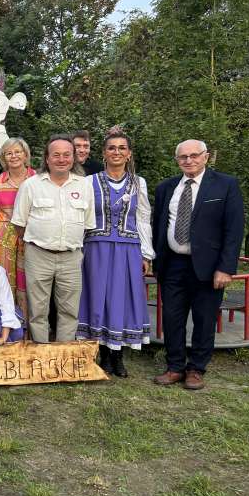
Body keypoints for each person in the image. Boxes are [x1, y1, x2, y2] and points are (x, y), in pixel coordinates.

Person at [152, 139, 243, 390]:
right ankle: (174, 367)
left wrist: (225, 268)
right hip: (172, 265)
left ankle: (196, 369)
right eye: (183, 157)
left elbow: (233, 230)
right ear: (177, 160)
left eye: (194, 155)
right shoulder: (166, 188)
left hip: (209, 266)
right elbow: (158, 225)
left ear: (206, 157)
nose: (189, 160)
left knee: (204, 319)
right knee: (172, 318)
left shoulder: (225, 185)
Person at [76, 129, 155, 377]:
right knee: (97, 296)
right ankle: (100, 351)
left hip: (128, 249)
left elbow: (142, 219)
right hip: (96, 247)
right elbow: (82, 217)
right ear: (104, 153)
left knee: (121, 298)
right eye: (112, 148)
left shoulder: (138, 182)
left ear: (129, 154)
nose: (117, 152)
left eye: (122, 148)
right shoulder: (90, 181)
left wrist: (146, 254)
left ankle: (117, 355)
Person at [11, 134, 95, 342]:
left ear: (74, 158)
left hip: (71, 257)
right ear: (47, 159)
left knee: (69, 311)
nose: (61, 159)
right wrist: (41, 241)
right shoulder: (31, 185)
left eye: (67, 155)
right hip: (38, 255)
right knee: (38, 311)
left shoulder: (84, 185)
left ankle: (63, 358)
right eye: (56, 155)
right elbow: (19, 224)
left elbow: (87, 224)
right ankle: (42, 358)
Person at [0, 137, 36, 318]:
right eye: (9, 153)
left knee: (29, 283)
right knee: (4, 284)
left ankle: (29, 331)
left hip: (31, 238)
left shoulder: (37, 179)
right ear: (4, 158)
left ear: (25, 155)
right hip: (1, 239)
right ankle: (8, 328)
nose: (13, 156)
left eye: (17, 152)